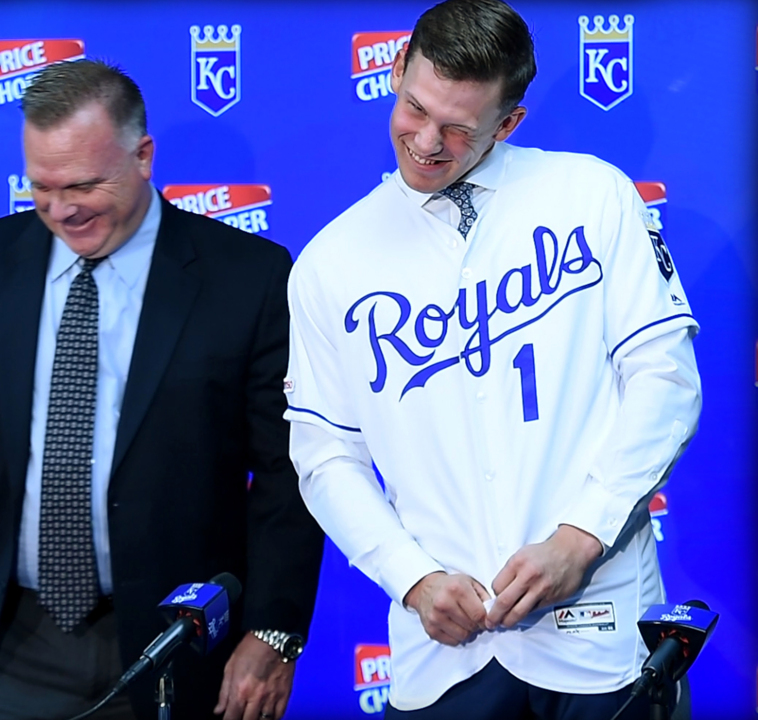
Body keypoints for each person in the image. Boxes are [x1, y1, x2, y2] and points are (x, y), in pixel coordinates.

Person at [284, 1, 701, 718]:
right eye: (415, 108)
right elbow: (324, 455)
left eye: (457, 128)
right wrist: (411, 577)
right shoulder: (329, 263)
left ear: (508, 123)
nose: (424, 141)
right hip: (443, 653)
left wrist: (582, 535)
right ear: (395, 70)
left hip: (600, 636)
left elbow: (664, 380)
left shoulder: (590, 195)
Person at [0, 59, 324, 720]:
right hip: (2, 639)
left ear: (143, 156)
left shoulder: (248, 278)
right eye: (42, 187)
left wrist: (273, 633)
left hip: (176, 647)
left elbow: (289, 477)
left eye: (85, 184)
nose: (62, 210)